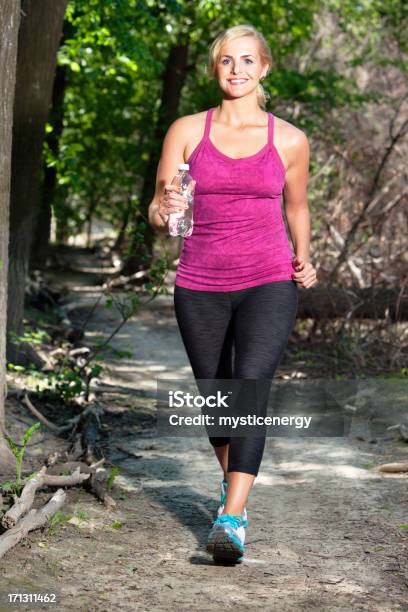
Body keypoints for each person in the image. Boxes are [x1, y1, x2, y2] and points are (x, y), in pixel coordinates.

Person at [148, 24, 317, 564]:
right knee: (218, 403)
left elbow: (297, 206)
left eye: (247, 60)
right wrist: (164, 208)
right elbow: (157, 211)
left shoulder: (288, 139)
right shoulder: (186, 132)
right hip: (199, 283)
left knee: (249, 391)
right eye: (226, 61)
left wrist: (305, 256)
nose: (236, 70)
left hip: (269, 279)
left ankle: (231, 518)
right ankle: (235, 491)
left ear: (264, 68)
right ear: (215, 69)